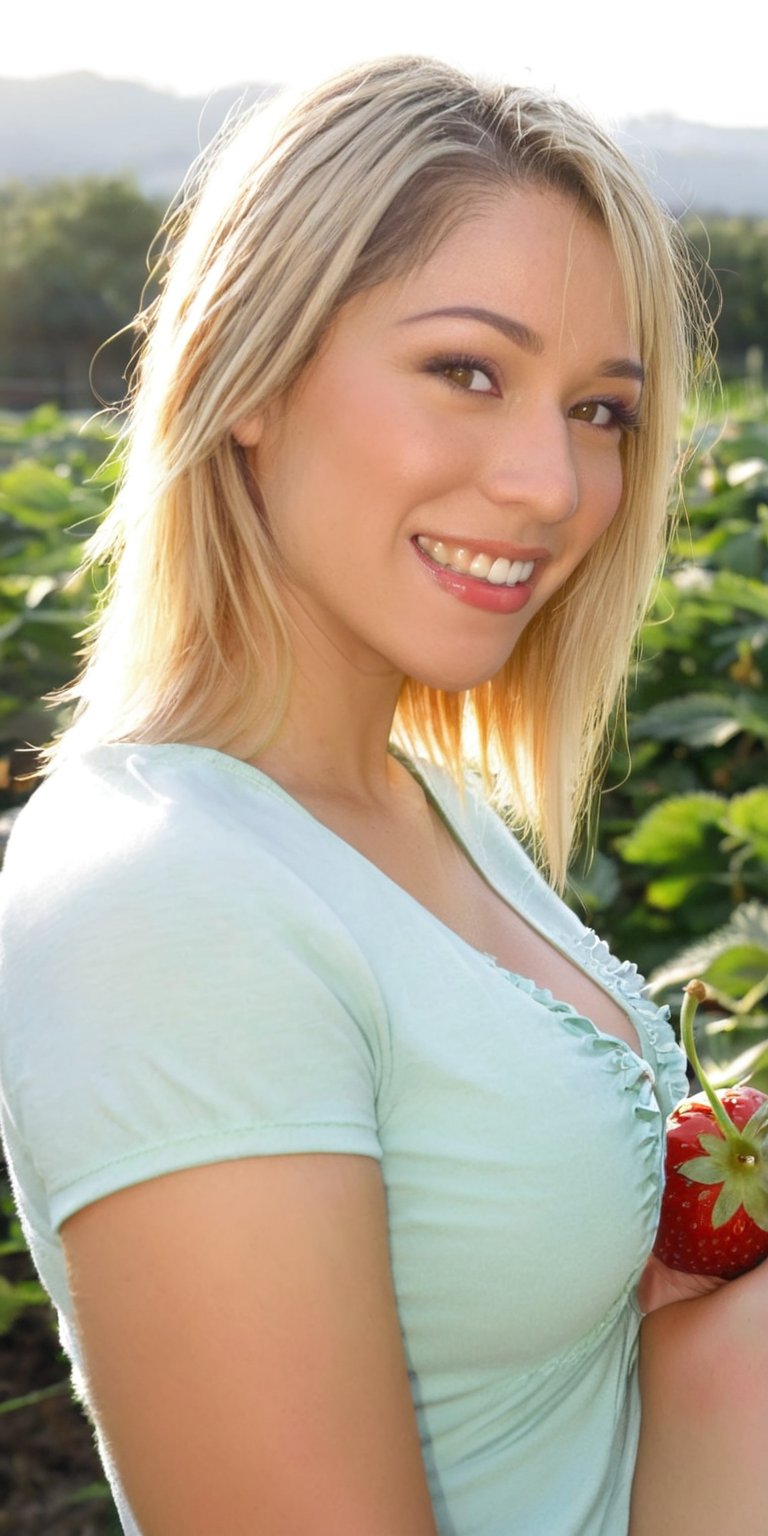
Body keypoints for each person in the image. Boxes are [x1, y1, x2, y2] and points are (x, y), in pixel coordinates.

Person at [0, 55, 765, 1536]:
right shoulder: (162, 896)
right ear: (252, 378)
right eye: (466, 370)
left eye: (602, 410)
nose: (552, 484)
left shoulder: (423, 801)